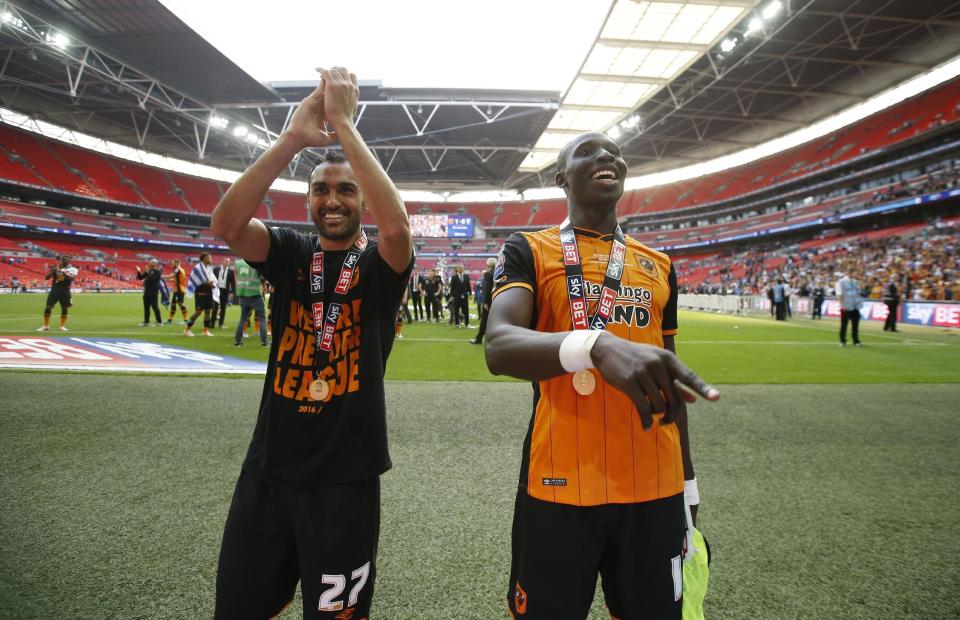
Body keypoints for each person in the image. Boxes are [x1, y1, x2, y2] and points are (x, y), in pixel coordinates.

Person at [484, 131, 719, 619]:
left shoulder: (659, 265)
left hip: (656, 485)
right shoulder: (528, 248)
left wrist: (689, 485)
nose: (606, 156)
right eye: (586, 152)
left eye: (613, 152)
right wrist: (596, 343)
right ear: (561, 178)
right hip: (559, 484)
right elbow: (499, 345)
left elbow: (670, 384)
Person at [209, 66, 413, 619]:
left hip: (345, 478)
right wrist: (293, 138)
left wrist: (345, 125)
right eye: (320, 189)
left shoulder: (379, 265)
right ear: (307, 201)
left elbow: (398, 233)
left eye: (346, 190)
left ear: (363, 201)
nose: (332, 200)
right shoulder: (291, 253)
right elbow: (226, 223)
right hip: (269, 468)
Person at [232, 258, 268, 347]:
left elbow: (236, 277)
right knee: (262, 318)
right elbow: (263, 277)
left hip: (242, 293)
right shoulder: (256, 261)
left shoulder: (237, 263)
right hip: (255, 293)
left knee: (243, 318)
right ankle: (264, 342)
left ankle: (237, 341)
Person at [37, 255, 77, 331]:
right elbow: (46, 278)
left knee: (64, 308)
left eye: (65, 260)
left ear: (68, 262)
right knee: (48, 306)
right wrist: (52, 271)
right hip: (55, 289)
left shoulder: (73, 269)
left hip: (65, 290)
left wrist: (63, 272)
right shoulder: (55, 268)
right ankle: (46, 326)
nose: (62, 261)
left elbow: (72, 278)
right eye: (62, 260)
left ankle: (62, 326)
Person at [184, 253, 218, 337]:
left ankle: (205, 330)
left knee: (208, 311)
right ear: (204, 258)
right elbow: (197, 281)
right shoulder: (197, 268)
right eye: (209, 258)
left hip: (208, 292)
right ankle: (187, 330)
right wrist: (208, 284)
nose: (211, 259)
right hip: (200, 292)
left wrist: (212, 285)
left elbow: (212, 280)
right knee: (198, 312)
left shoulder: (209, 268)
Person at [470, 257, 496, 345]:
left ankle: (479, 338)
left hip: (489, 302)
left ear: (488, 265)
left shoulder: (487, 274)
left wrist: (485, 302)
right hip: (497, 301)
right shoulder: (498, 273)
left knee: (484, 321)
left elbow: (487, 289)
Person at [836, 272, 863, 346]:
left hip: (855, 306)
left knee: (855, 324)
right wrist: (842, 305)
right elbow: (839, 294)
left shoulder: (855, 282)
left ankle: (856, 340)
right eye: (854, 273)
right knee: (844, 324)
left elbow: (858, 292)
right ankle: (842, 341)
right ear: (849, 273)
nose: (855, 275)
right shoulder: (841, 282)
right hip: (846, 306)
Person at [135, 259, 163, 326]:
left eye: (151, 262)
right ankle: (146, 321)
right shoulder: (148, 271)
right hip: (147, 291)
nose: (149, 263)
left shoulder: (158, 272)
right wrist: (138, 271)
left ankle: (159, 322)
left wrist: (147, 272)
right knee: (146, 307)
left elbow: (153, 279)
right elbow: (141, 278)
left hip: (153, 291)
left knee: (155, 307)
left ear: (155, 264)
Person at [213, 257, 236, 329]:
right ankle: (211, 323)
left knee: (223, 308)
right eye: (226, 261)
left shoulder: (231, 271)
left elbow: (233, 282)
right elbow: (212, 278)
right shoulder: (216, 269)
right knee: (215, 307)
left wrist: (232, 292)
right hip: (216, 290)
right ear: (222, 261)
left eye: (228, 261)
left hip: (225, 291)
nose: (227, 262)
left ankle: (221, 324)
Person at [165, 259, 189, 324]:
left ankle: (186, 320)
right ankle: (170, 320)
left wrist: (159, 276)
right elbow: (174, 279)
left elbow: (170, 276)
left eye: (173, 263)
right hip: (177, 290)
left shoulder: (177, 270)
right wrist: (165, 280)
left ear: (176, 263)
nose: (172, 264)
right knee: (173, 304)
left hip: (179, 290)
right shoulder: (181, 270)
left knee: (180, 303)